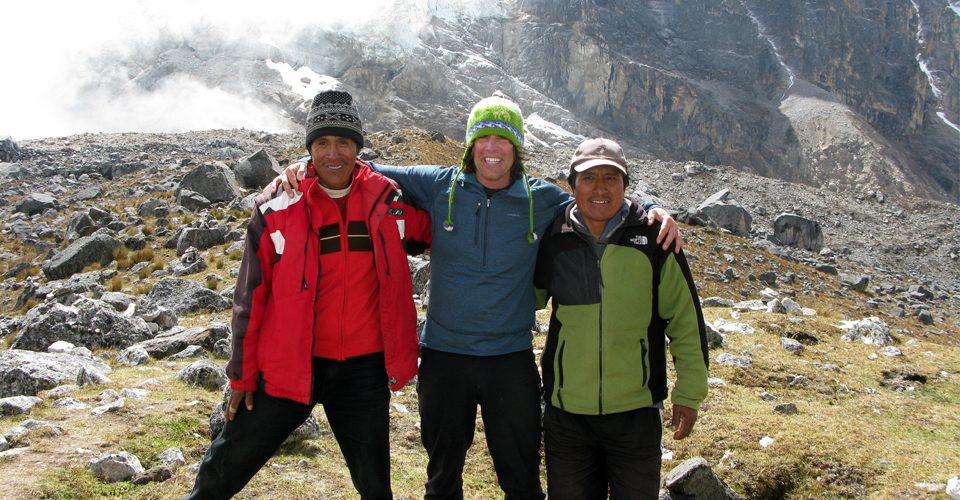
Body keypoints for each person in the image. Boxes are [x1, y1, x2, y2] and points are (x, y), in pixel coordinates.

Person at [276, 95, 684, 499]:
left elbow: (599, 200)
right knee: (441, 480)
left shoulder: (541, 199)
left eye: (503, 139)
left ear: (516, 148)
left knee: (521, 480)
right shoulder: (438, 185)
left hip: (510, 361)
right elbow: (361, 168)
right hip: (443, 358)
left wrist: (651, 208)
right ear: (471, 145)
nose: (492, 148)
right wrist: (302, 168)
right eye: (483, 138)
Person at [187, 89, 431, 499]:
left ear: (358, 148)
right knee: (223, 469)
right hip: (288, 364)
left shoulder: (388, 200)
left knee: (375, 486)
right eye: (321, 143)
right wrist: (243, 375)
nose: (333, 154)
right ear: (309, 148)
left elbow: (438, 231)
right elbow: (250, 295)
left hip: (363, 370)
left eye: (344, 143)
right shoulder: (278, 204)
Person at [533, 138, 709, 499]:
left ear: (625, 185)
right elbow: (523, 302)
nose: (599, 188)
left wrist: (689, 393)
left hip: (636, 414)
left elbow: (685, 320)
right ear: (573, 185)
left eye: (611, 178)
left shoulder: (655, 238)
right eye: (589, 178)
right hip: (567, 417)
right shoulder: (553, 238)